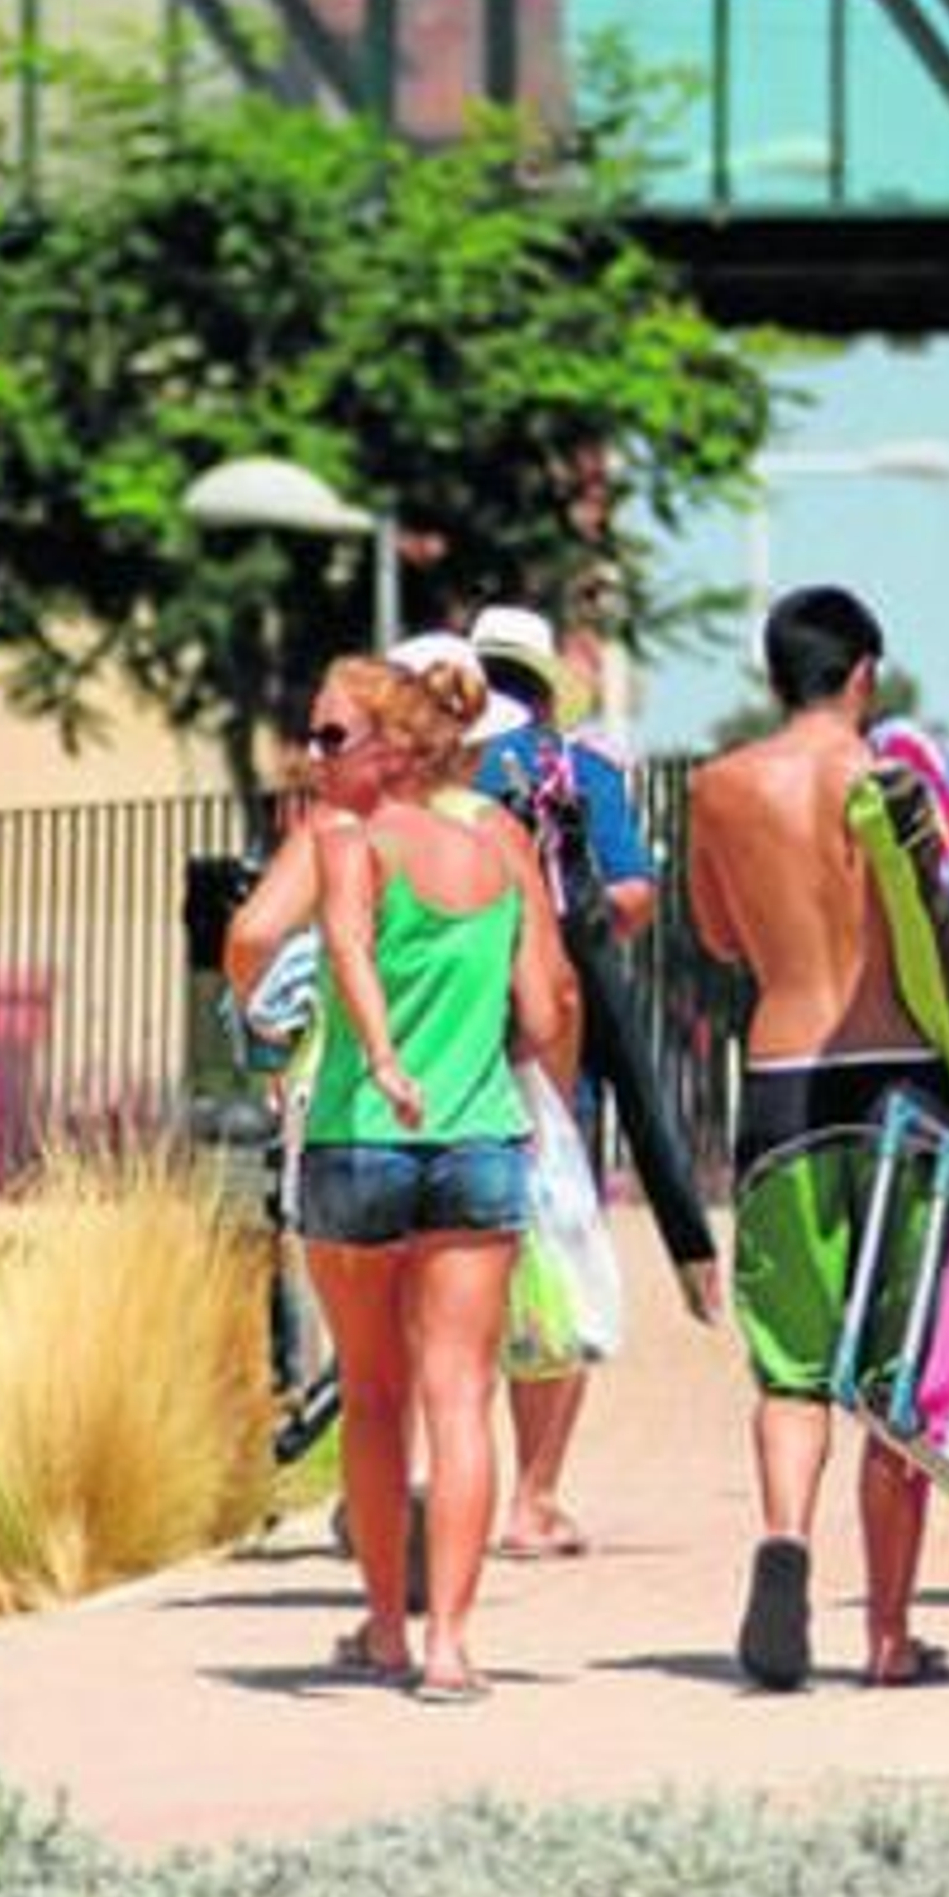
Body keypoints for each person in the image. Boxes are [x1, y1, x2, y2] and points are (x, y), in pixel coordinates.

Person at [688, 585, 949, 1692]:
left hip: (784, 1080)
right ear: (863, 673)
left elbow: (719, 936)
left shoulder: (717, 788)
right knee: (897, 1370)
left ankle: (783, 1540)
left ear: (772, 675)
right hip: (905, 1090)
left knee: (791, 1366)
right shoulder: (894, 777)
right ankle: (886, 1636)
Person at [267, 650, 569, 1700]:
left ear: (391, 746)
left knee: (374, 1397)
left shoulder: (352, 842)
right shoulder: (497, 851)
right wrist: (474, 1062)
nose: (318, 757)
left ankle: (384, 1633)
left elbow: (342, 952)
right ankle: (451, 1644)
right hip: (478, 1139)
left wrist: (389, 1059)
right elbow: (545, 1012)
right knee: (459, 1397)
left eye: (337, 737)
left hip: (362, 1137)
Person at [469, 601, 720, 1561]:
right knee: (555, 1259)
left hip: (441, 1040)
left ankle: (423, 1473)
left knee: (446, 1259)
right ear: (543, 684)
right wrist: (576, 937)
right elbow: (633, 892)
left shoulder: (431, 773)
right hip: (553, 1035)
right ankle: (531, 1499)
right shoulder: (583, 770)